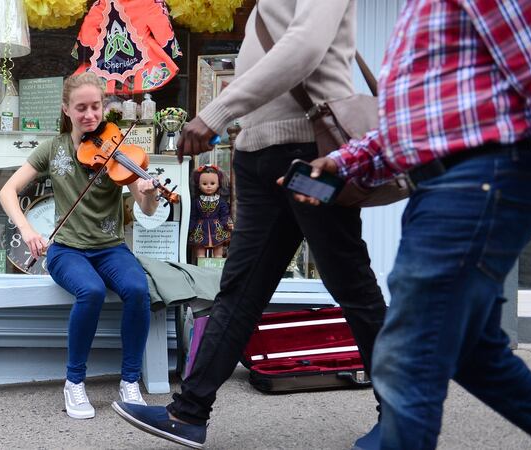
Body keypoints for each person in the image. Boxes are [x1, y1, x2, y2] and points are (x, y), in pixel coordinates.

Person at [111, 1, 388, 448]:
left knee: (351, 285)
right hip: (259, 159)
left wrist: (214, 114)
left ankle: (402, 416)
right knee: (239, 292)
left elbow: (305, 47)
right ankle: (188, 413)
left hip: (312, 157)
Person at [286, 1, 531, 448]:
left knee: (407, 354)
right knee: (472, 354)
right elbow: (413, 125)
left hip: (477, 179)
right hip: (447, 182)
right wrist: (342, 162)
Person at [0, 72, 161, 420]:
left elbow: (146, 210)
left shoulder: (119, 151)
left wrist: (150, 195)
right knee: (91, 291)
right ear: (66, 109)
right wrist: (27, 230)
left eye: (96, 107)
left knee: (137, 289)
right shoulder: (52, 149)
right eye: (81, 108)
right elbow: (7, 191)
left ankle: (130, 381)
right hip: (66, 250)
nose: (90, 115)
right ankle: (74, 382)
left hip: (111, 247)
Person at [188, 165, 232, 259]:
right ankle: (201, 267)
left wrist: (224, 223)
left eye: (212, 183)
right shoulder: (196, 201)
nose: (208, 186)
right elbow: (193, 215)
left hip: (217, 228)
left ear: (218, 184)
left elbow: (224, 214)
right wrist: (190, 227)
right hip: (200, 229)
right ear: (198, 185)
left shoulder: (221, 201)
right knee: (200, 253)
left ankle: (217, 269)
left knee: (218, 253)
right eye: (204, 184)